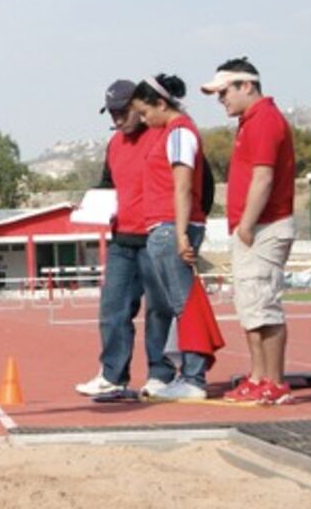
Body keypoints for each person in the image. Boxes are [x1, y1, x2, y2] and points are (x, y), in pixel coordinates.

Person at [202, 58, 296, 405]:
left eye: (224, 92)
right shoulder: (250, 121)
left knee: (263, 305)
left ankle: (275, 381)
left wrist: (246, 224)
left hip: (263, 226)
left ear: (246, 85)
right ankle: (258, 377)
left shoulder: (265, 120)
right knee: (251, 307)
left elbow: (264, 176)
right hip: (253, 226)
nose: (221, 100)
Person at [76, 80, 176, 398]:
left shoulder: (163, 135)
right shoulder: (115, 144)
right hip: (122, 240)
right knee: (113, 309)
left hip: (156, 237)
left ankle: (161, 374)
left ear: (138, 106)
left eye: (123, 112)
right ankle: (112, 375)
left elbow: (194, 181)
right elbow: (108, 184)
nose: (118, 120)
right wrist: (91, 203)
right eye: (112, 114)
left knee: (159, 309)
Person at [130, 74, 210, 400]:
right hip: (163, 227)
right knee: (179, 304)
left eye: (145, 112)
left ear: (161, 104)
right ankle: (188, 374)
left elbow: (183, 186)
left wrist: (181, 234)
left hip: (171, 226)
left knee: (183, 304)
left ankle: (193, 378)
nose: (143, 120)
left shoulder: (179, 133)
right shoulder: (170, 133)